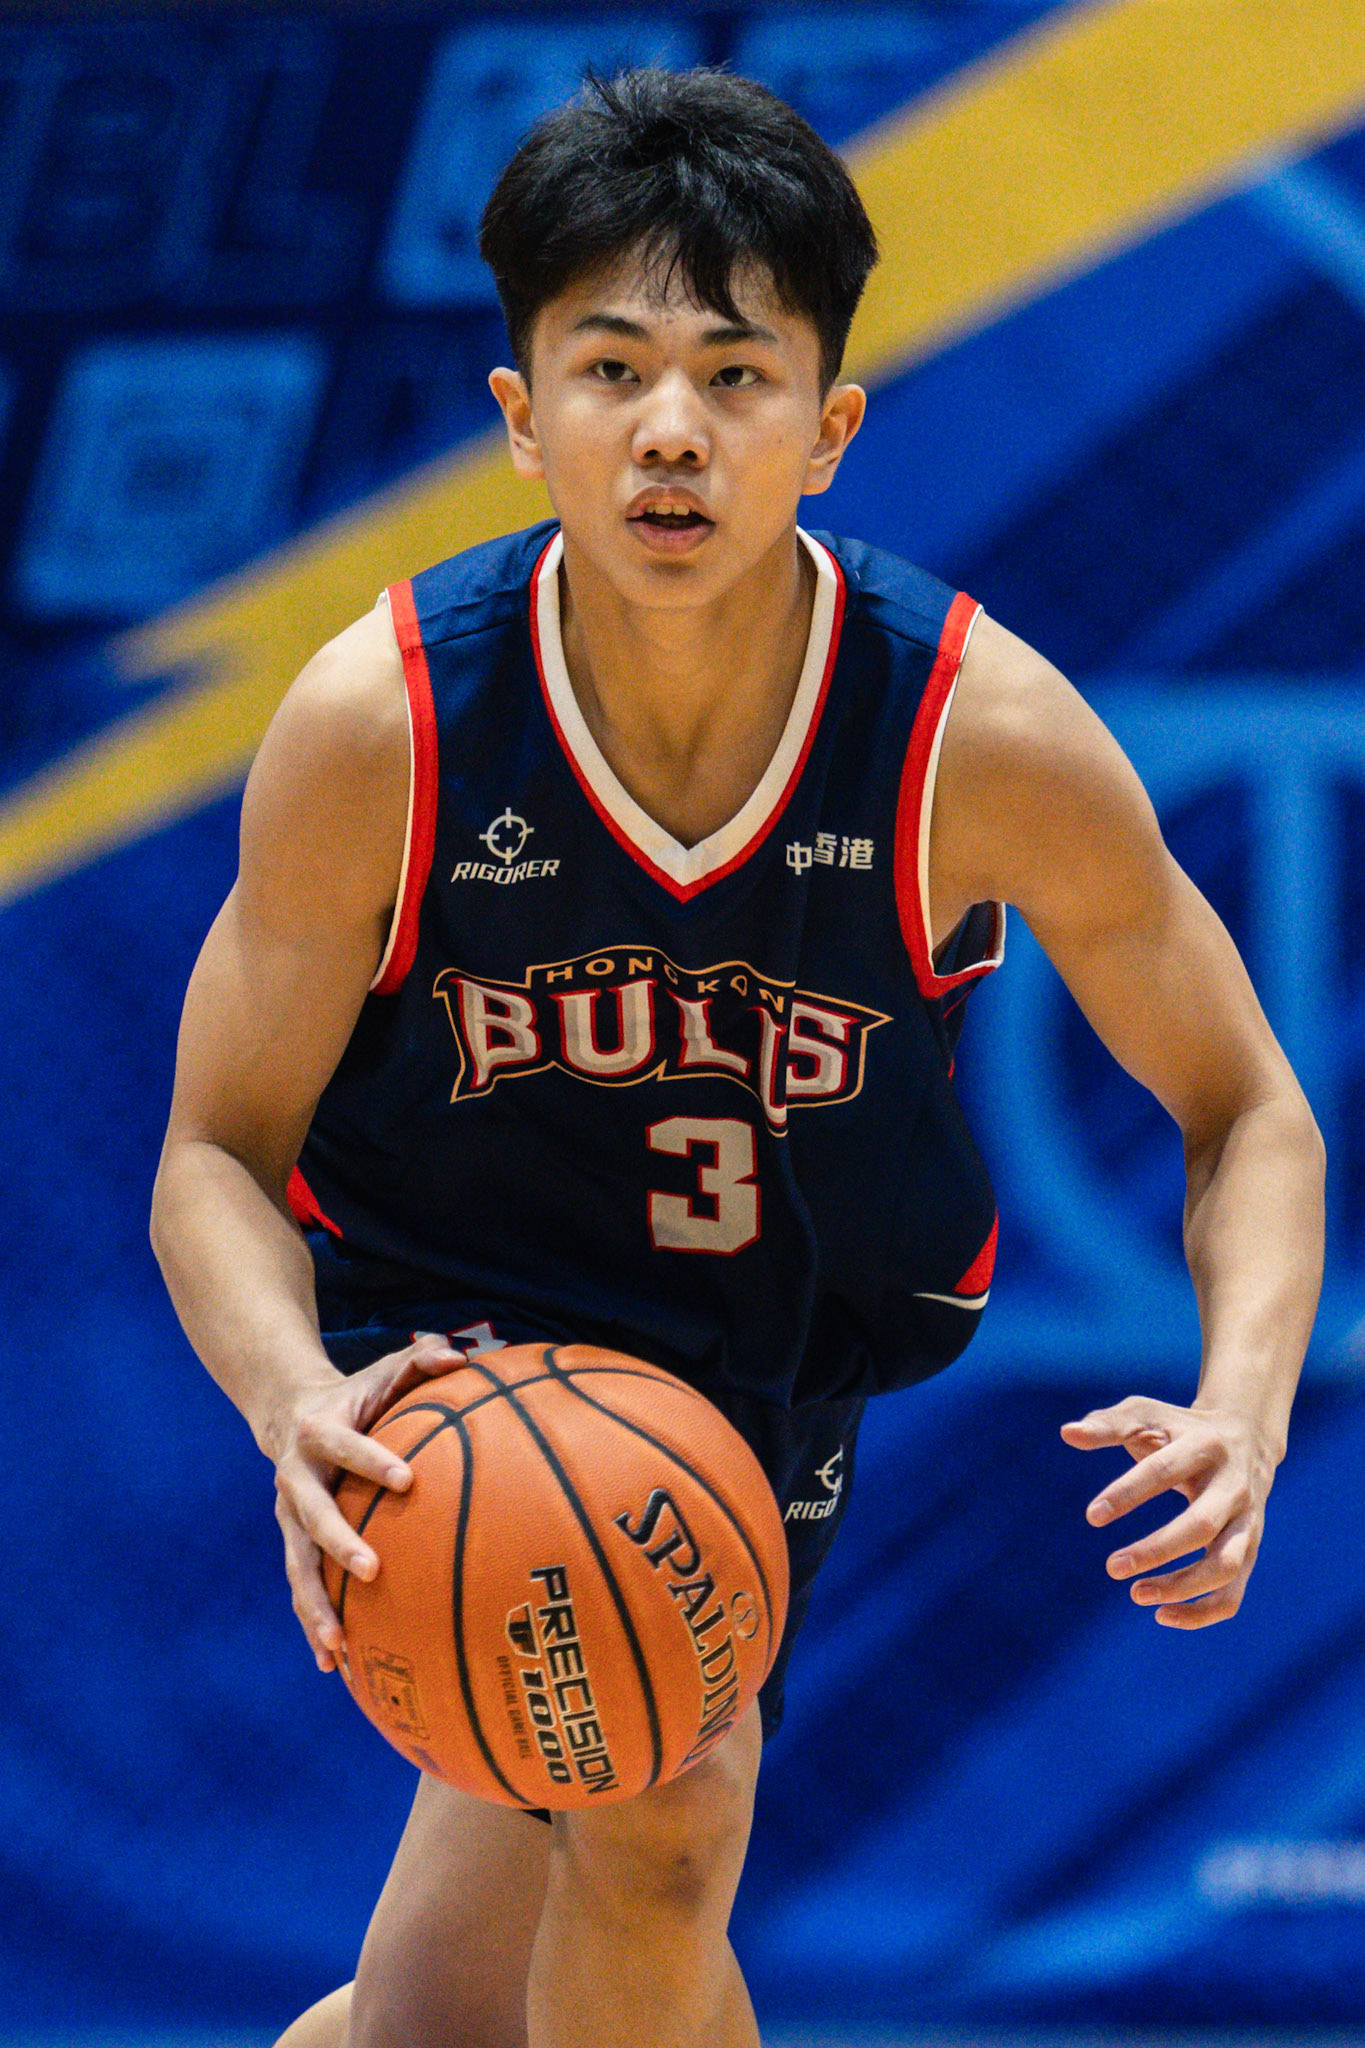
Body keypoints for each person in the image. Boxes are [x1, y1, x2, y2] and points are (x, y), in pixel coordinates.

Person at [150, 66, 1325, 2048]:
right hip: (453, 1357)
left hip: (752, 1363)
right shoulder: (383, 728)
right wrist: (297, 1404)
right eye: (610, 370)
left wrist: (1245, 1407)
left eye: (733, 373)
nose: (671, 430)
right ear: (520, 418)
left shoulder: (974, 735)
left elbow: (1244, 1108)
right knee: (667, 1812)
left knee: (504, 1962)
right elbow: (209, 1153)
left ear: (828, 427)